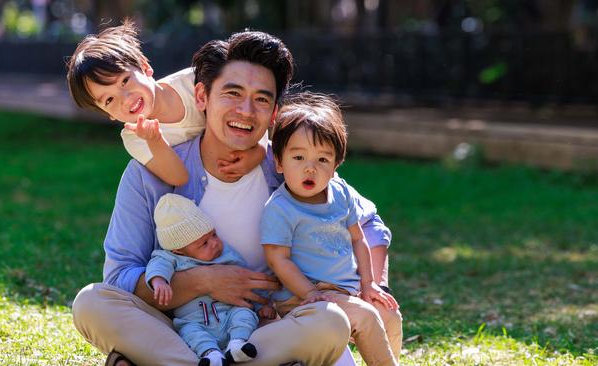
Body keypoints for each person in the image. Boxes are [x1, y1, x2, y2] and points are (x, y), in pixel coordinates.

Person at [72, 30, 398, 366]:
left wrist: (374, 287)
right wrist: (203, 282)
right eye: (232, 93)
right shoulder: (147, 171)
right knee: (91, 303)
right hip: (185, 326)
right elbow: (121, 274)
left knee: (329, 322)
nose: (245, 110)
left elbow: (368, 223)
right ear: (201, 97)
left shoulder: (289, 165)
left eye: (261, 99)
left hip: (267, 324)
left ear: (274, 113)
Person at [262, 93, 403, 366]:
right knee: (367, 316)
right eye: (299, 157)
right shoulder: (279, 208)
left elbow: (358, 238)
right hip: (301, 298)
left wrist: (369, 283)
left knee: (388, 313)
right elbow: (278, 259)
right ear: (279, 162)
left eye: (322, 160)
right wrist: (310, 294)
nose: (310, 169)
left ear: (336, 164)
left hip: (344, 291)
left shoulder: (340, 193)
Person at [66, 19, 265, 186]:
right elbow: (179, 178)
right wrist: (155, 141)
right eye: (109, 100)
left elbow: (248, 111)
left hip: (246, 170)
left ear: (145, 68)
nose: (126, 99)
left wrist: (258, 152)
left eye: (125, 81)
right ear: (108, 114)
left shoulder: (194, 81)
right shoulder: (135, 137)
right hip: (202, 191)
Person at [147, 193, 274, 366]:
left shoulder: (226, 254)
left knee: (244, 314)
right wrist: (159, 280)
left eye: (213, 234)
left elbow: (244, 281)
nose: (214, 243)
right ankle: (211, 355)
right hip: (194, 320)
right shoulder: (171, 258)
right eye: (204, 243)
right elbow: (158, 265)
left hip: (229, 313)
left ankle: (237, 345)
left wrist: (261, 307)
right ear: (178, 250)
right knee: (189, 331)